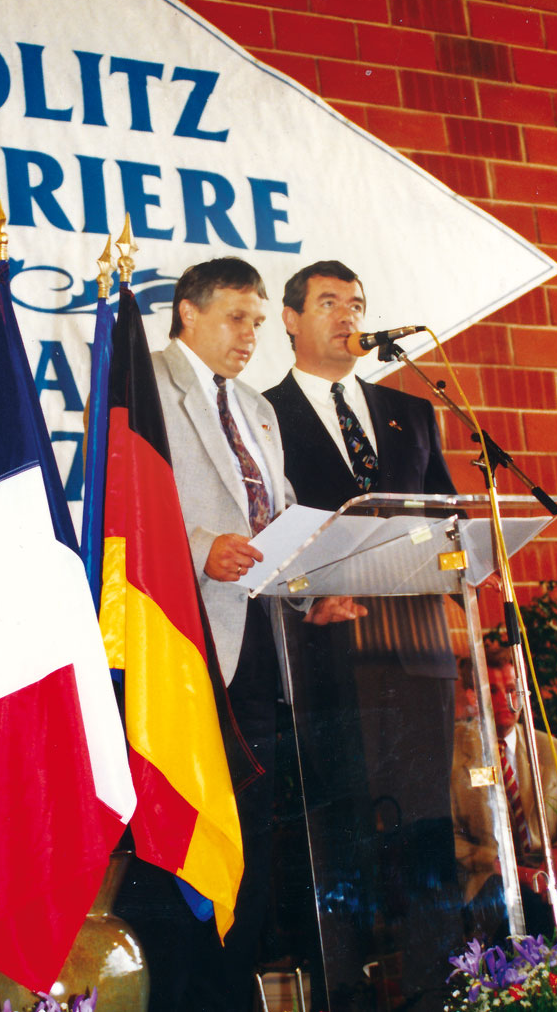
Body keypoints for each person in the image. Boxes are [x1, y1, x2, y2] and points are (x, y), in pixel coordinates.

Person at [116, 257, 360, 1012]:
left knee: (250, 835)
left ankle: (227, 991)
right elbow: (118, 499)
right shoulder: (141, 380)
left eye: (259, 320)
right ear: (187, 312)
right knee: (180, 833)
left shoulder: (257, 406)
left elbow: (277, 511)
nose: (251, 334)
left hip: (260, 641)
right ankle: (178, 993)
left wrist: (310, 587)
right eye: (236, 317)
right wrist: (200, 547)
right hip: (179, 643)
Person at [262, 260, 462, 1010]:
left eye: (357, 303)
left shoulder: (413, 411)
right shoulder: (261, 413)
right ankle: (342, 989)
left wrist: (464, 561)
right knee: (338, 831)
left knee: (426, 828)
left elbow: (446, 515)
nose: (347, 315)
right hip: (324, 650)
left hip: (415, 647)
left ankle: (442, 984)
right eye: (327, 302)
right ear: (289, 318)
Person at [453, 641, 557, 963]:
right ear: (472, 696)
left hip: (552, 874)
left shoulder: (552, 751)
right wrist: (510, 871)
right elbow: (448, 838)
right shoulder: (453, 758)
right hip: (489, 877)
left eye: (512, 690)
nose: (505, 701)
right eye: (492, 691)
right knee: (522, 916)